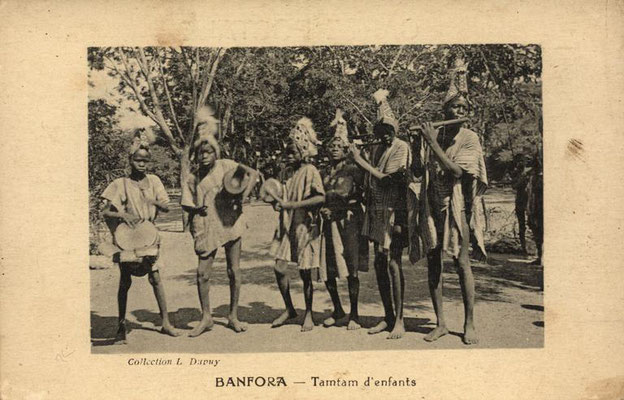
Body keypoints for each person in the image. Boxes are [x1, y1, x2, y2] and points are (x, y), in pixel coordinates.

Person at [417, 57, 488, 345]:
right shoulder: (437, 134)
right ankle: (441, 323)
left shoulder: (469, 137)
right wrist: (420, 141)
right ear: (445, 110)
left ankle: (468, 323)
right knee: (434, 263)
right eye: (454, 107)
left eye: (463, 108)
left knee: (461, 262)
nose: (459, 111)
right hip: (433, 204)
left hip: (459, 207)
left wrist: (432, 143)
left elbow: (457, 171)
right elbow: (419, 169)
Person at [180, 107, 260, 337]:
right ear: (196, 155)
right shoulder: (193, 178)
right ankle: (206, 317)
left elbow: (252, 174)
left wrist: (242, 197)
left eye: (209, 152)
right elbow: (186, 204)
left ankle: (233, 315)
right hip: (205, 225)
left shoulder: (227, 166)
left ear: (215, 153)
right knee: (202, 273)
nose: (205, 156)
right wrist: (196, 208)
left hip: (230, 222)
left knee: (234, 270)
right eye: (201, 153)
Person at [101, 132, 180, 344]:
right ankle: (120, 326)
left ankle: (165, 322)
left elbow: (165, 206)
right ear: (130, 160)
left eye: (145, 160)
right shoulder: (122, 184)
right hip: (128, 238)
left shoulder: (154, 181)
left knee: (155, 277)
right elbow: (106, 212)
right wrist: (123, 214)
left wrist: (154, 202)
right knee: (125, 280)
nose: (142, 164)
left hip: (149, 235)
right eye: (138, 160)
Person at [349, 89, 411, 339]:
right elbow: (368, 182)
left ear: (395, 131)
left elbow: (388, 181)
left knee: (394, 263)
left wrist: (360, 161)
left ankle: (399, 320)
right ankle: (387, 316)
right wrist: (359, 158)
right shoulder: (377, 150)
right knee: (379, 263)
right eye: (381, 131)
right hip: (376, 212)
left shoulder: (401, 147)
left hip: (394, 212)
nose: (386, 135)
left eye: (390, 131)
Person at [266, 117, 326, 332]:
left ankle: (308, 313)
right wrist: (276, 202)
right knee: (279, 267)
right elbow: (280, 196)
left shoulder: (310, 171)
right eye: (287, 153)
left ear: (303, 151)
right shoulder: (285, 173)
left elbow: (320, 197)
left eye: (292, 152)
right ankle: (290, 308)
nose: (288, 156)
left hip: (303, 226)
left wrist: (293, 204)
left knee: (305, 271)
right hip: (286, 226)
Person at [319, 109, 369, 330]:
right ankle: (337, 309)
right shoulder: (324, 172)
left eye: (339, 146)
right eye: (332, 146)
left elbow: (359, 194)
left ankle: (355, 314)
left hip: (349, 221)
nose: (335, 149)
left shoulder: (354, 169)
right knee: (328, 267)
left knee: (351, 267)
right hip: (328, 223)